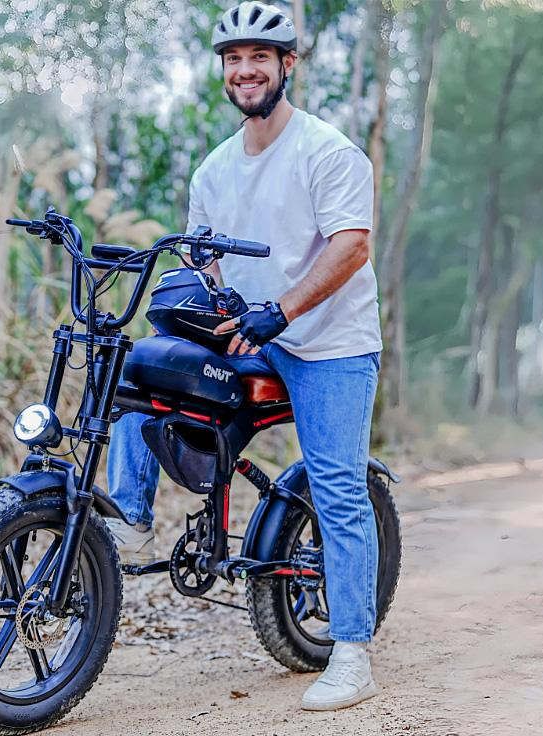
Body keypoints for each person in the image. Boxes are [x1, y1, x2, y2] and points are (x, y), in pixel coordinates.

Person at [105, 1, 384, 712]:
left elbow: (352, 247)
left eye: (259, 57)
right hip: (252, 337)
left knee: (338, 486)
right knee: (143, 370)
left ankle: (351, 654)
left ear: (287, 66)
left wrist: (280, 310)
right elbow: (209, 262)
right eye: (233, 59)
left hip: (331, 345)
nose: (245, 70)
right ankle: (126, 516)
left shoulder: (327, 152)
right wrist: (211, 305)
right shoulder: (214, 171)